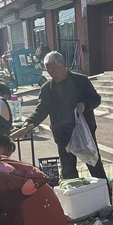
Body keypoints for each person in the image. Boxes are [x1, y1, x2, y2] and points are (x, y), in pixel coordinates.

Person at [21, 51, 107, 180]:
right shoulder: (47, 88)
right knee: (68, 172)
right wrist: (29, 122)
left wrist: (85, 105)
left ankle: (105, 195)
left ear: (64, 65)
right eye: (48, 69)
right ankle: (74, 197)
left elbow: (96, 99)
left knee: (94, 165)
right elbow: (41, 109)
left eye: (54, 68)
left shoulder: (81, 81)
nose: (52, 73)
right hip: (62, 134)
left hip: (84, 133)